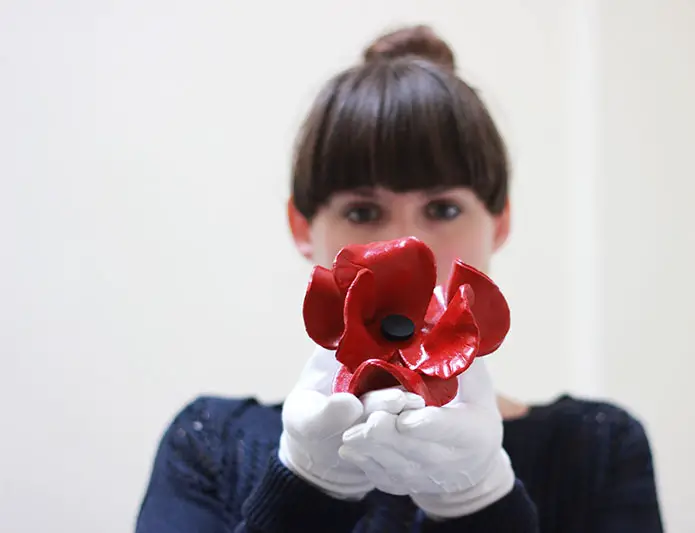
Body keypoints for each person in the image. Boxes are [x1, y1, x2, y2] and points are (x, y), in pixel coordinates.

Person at [135, 25, 663, 532]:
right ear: (302, 226)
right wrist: (302, 490)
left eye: (443, 209)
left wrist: (481, 504)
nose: (408, 247)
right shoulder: (207, 444)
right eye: (363, 212)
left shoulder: (597, 450)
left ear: (499, 223)